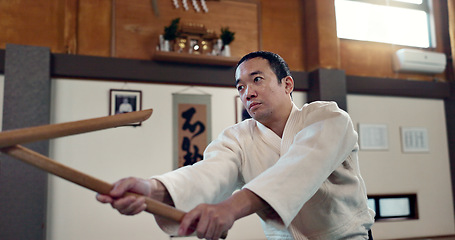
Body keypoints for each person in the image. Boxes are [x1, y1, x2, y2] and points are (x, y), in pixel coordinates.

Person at [97, 51, 375, 239]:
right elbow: (207, 174)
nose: (248, 92)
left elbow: (302, 167)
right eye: (240, 87)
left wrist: (230, 208)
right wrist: (153, 190)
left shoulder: (328, 118)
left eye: (257, 79)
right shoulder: (237, 137)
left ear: (287, 84)